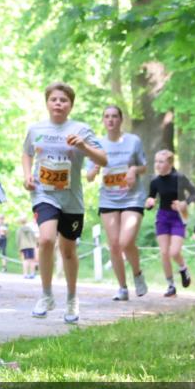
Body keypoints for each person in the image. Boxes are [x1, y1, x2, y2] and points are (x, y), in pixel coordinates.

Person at [23, 82, 107, 323]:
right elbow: (27, 152)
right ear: (47, 103)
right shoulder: (36, 129)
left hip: (71, 198)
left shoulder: (81, 129)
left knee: (68, 250)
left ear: (71, 105)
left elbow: (103, 159)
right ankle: (46, 295)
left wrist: (83, 146)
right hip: (44, 193)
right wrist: (27, 175)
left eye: (63, 100)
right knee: (46, 239)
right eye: (54, 99)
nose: (58, 104)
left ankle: (71, 299)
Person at [84, 105, 149, 301]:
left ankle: (137, 273)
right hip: (109, 199)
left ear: (121, 120)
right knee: (114, 245)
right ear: (103, 120)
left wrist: (133, 170)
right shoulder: (97, 145)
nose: (110, 120)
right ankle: (122, 288)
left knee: (125, 242)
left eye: (114, 116)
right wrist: (94, 169)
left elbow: (144, 167)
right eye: (107, 116)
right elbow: (89, 177)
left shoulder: (133, 141)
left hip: (132, 197)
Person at [145, 150, 195, 297]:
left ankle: (183, 268)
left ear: (170, 163)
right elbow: (151, 198)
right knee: (164, 253)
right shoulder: (155, 181)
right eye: (156, 161)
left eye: (161, 162)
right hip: (162, 217)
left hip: (178, 217)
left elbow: (194, 193)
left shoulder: (179, 178)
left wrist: (184, 203)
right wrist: (149, 203)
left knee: (174, 252)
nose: (157, 165)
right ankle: (171, 285)